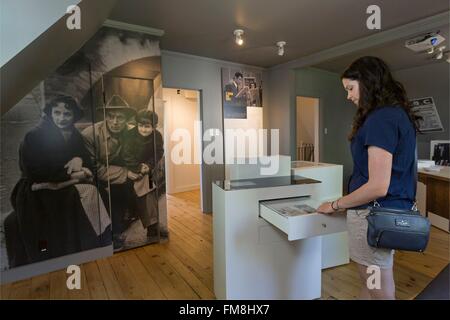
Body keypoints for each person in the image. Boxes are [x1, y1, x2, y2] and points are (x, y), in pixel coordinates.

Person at [317, 56, 419, 300]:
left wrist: (336, 204)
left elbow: (377, 185)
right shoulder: (395, 114)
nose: (348, 96)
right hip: (387, 214)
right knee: (371, 281)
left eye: (350, 88)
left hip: (373, 216)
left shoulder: (380, 119)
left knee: (378, 286)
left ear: (368, 82)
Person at [6, 95, 111, 267]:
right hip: (35, 188)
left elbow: (87, 160)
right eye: (57, 113)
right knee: (85, 193)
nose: (61, 118)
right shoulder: (34, 136)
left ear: (73, 116)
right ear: (50, 113)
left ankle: (96, 241)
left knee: (96, 191)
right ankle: (86, 244)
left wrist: (79, 159)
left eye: (67, 114)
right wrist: (73, 175)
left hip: (61, 184)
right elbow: (34, 172)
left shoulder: (74, 134)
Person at [81, 96, 138, 250]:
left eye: (120, 117)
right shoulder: (90, 134)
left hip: (120, 172)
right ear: (105, 117)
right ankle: (111, 235)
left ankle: (146, 221)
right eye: (111, 117)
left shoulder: (132, 132)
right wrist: (125, 173)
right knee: (108, 194)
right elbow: (93, 167)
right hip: (95, 177)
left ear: (127, 119)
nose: (115, 122)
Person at [120, 109, 164, 239]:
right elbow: (126, 155)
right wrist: (138, 167)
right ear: (136, 124)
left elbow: (158, 152)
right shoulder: (130, 135)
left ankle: (152, 225)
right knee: (147, 189)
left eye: (147, 126)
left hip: (147, 169)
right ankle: (152, 226)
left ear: (154, 127)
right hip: (130, 167)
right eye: (141, 126)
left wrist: (148, 165)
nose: (143, 130)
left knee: (148, 188)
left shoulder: (157, 136)